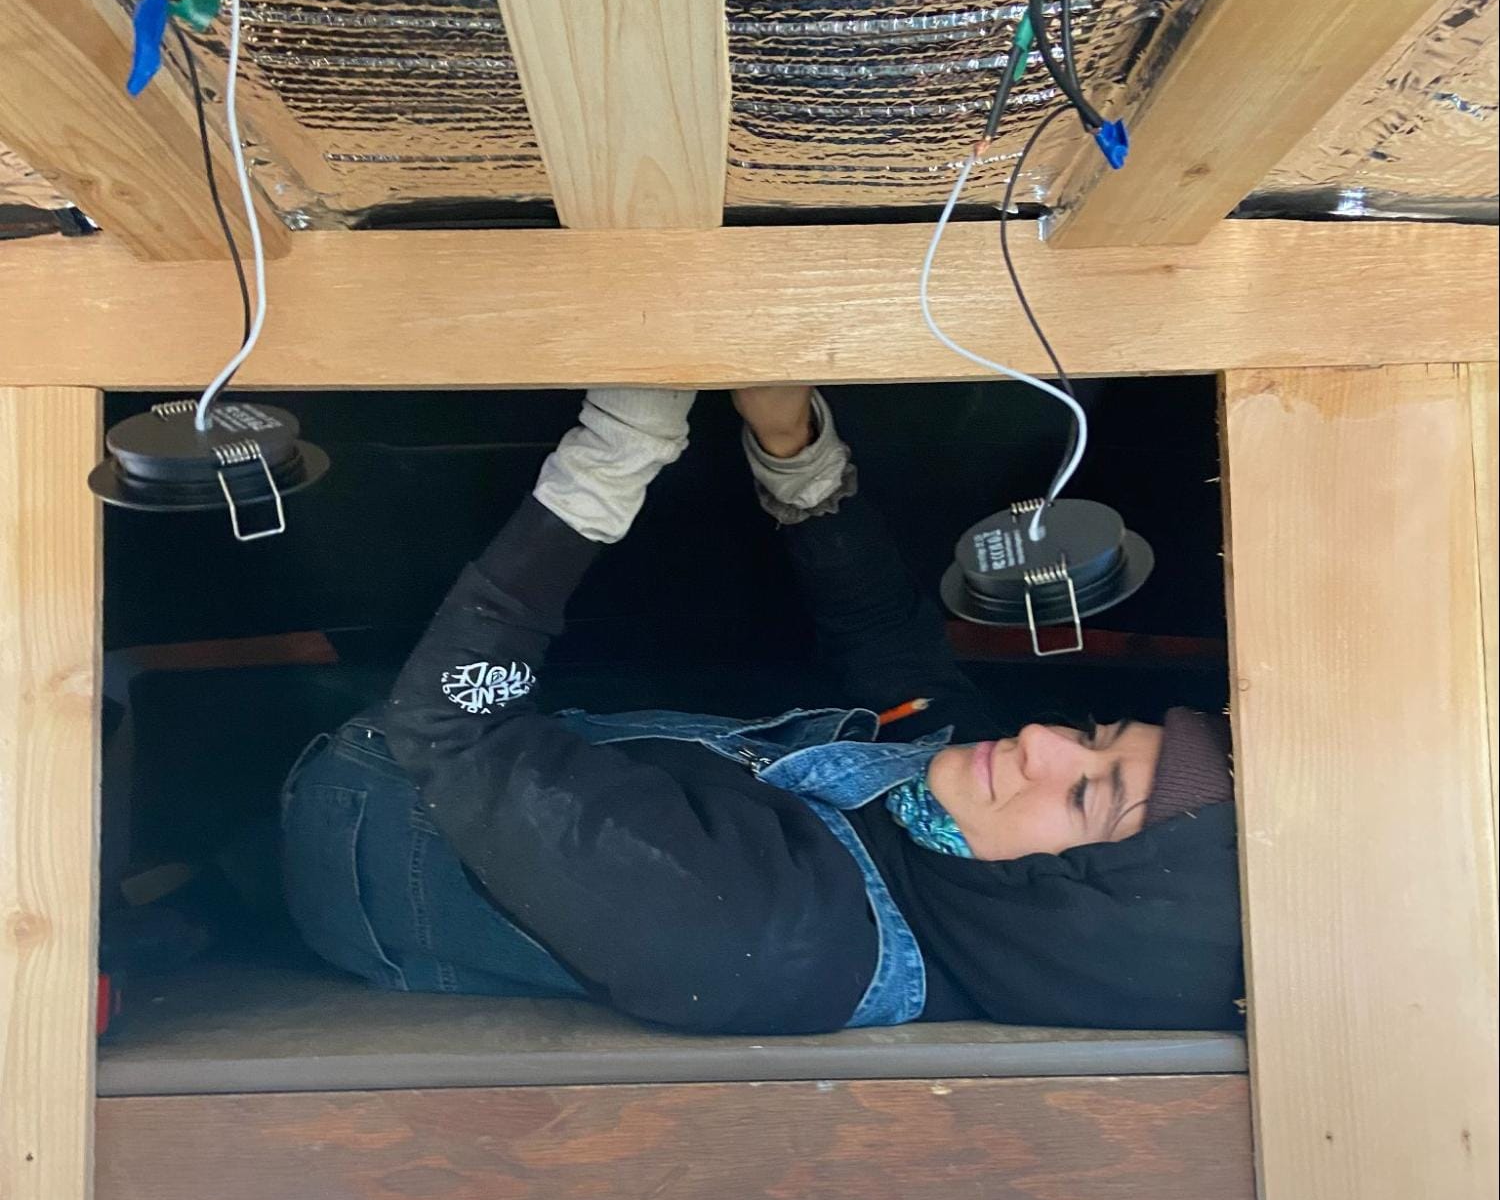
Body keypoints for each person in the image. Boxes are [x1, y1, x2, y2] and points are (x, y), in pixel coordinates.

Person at [281, 386, 1239, 1035]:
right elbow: (899, 667)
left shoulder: (764, 936)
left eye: (1086, 797)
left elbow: (448, 728)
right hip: (489, 769)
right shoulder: (965, 849)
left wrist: (617, 452)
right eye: (1090, 735)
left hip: (366, 815)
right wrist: (793, 442)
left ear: (1073, 921)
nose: (1037, 741)